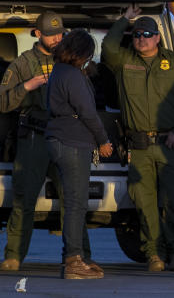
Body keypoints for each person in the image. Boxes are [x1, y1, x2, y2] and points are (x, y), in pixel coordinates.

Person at [101, 4, 174, 272]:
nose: (141, 39)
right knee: (144, 205)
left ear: (157, 37)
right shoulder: (124, 61)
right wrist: (124, 19)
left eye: (147, 34)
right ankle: (154, 254)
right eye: (137, 34)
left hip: (171, 145)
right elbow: (108, 47)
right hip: (140, 146)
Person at [0, 12, 72, 271]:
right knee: (24, 199)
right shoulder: (22, 64)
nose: (57, 39)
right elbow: (3, 101)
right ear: (38, 34)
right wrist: (27, 87)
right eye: (51, 34)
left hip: (65, 136)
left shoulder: (70, 61)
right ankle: (13, 256)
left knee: (73, 199)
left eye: (60, 34)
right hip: (34, 136)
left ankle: (78, 256)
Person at [44, 29, 113, 279]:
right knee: (76, 204)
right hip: (73, 143)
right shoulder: (72, 75)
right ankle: (74, 261)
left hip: (60, 139)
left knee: (73, 203)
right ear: (82, 52)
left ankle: (77, 256)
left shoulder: (59, 71)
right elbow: (87, 112)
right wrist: (103, 140)